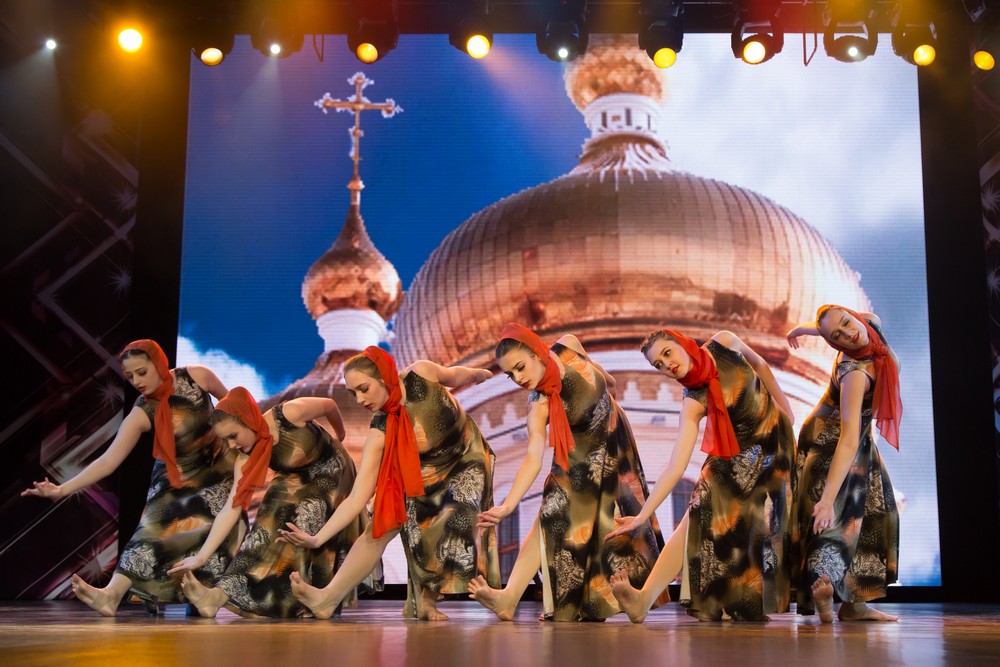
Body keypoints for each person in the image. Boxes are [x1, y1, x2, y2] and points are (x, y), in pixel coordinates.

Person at [21, 339, 241, 616]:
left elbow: (238, 410)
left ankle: (200, 595)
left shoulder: (197, 377)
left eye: (142, 372)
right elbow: (108, 461)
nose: (136, 381)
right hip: (174, 478)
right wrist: (61, 490)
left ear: (159, 364)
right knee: (150, 529)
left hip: (218, 473)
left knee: (217, 529)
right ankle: (110, 596)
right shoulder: (143, 409)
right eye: (130, 376)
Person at [284, 347, 501, 621]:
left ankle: (427, 600)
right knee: (381, 527)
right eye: (353, 393)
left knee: (453, 516)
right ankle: (327, 598)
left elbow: (455, 375)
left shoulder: (421, 374)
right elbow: (358, 495)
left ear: (384, 377)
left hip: (465, 459)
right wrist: (317, 538)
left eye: (363, 389)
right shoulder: (381, 428)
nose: (360, 399)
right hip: (420, 472)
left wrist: (477, 374)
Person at [468, 323, 664, 622]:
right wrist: (507, 505)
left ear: (537, 353)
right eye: (510, 374)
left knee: (621, 525)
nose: (518, 379)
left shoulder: (569, 346)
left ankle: (628, 598)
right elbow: (533, 458)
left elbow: (604, 379)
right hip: (576, 463)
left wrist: (609, 403)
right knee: (550, 514)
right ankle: (509, 598)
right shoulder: (539, 403)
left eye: (520, 367)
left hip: (613, 447)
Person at [605, 329, 796, 623]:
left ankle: (737, 602)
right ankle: (643, 598)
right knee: (696, 512)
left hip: (772, 451)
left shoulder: (724, 343)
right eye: (658, 365)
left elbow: (760, 364)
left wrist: (786, 412)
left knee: (762, 529)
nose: (667, 365)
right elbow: (676, 465)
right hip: (730, 458)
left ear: (683, 344)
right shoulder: (693, 400)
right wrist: (643, 515)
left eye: (667, 353)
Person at [167, 387, 365, 618]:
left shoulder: (289, 414)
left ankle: (311, 597)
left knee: (305, 517)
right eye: (226, 440)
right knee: (264, 526)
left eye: (233, 436)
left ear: (248, 421)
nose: (232, 445)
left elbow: (329, 405)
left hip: (332, 471)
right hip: (293, 477)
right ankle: (216, 597)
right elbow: (232, 507)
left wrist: (340, 435)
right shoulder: (245, 457)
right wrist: (201, 556)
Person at [786, 305, 900, 623]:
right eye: (837, 337)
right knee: (837, 519)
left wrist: (801, 329)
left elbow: (833, 325)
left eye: (848, 323)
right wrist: (826, 499)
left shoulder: (870, 324)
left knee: (877, 512)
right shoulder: (855, 374)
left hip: (858, 443)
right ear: (833, 344)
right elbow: (847, 439)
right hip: (830, 446)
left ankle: (855, 604)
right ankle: (821, 584)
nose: (849, 334)